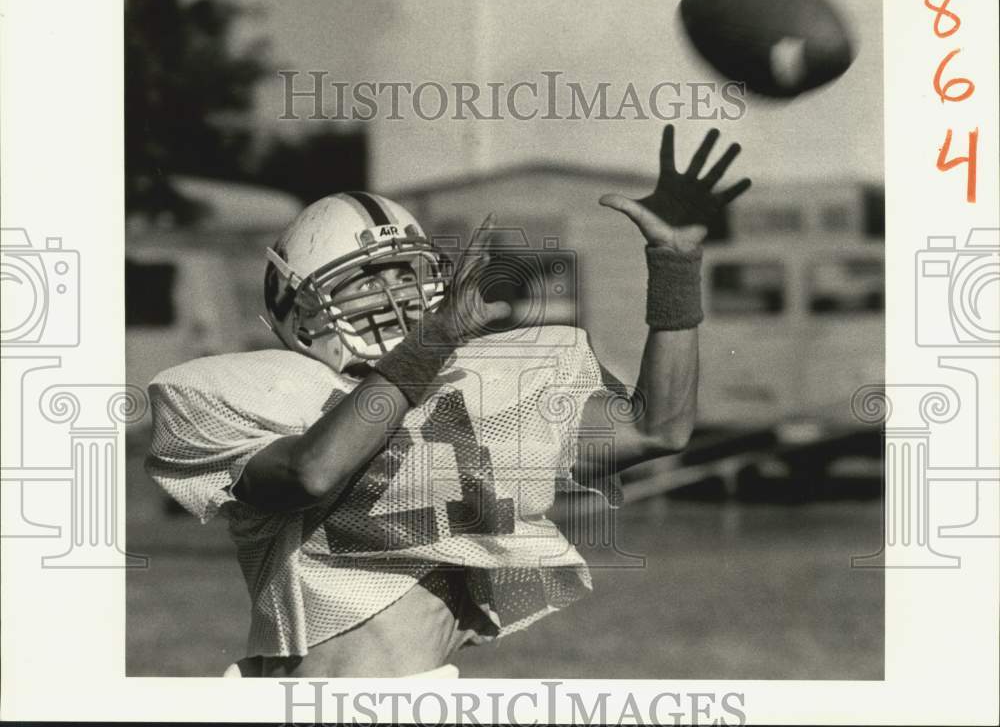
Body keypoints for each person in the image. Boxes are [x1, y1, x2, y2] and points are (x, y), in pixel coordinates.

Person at [146, 125, 751, 678]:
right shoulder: (261, 392)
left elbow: (658, 429)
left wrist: (674, 266)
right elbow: (313, 471)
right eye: (367, 281)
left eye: (407, 274)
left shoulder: (473, 388)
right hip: (303, 697)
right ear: (297, 309)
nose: (396, 296)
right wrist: (432, 342)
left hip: (424, 691)